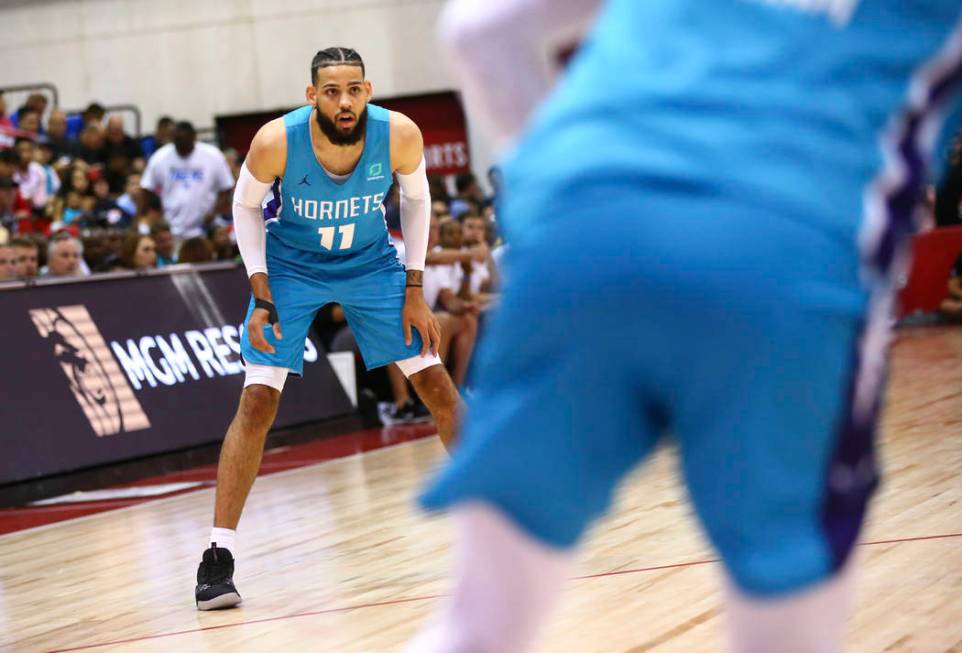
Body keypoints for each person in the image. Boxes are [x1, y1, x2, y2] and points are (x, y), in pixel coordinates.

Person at [405, 2, 962, 653]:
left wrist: (555, 189)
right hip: (784, 255)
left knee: (477, 630)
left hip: (582, 230)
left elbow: (475, 32)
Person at [193, 46, 462, 611]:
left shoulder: (400, 134)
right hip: (292, 267)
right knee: (259, 402)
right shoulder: (275, 142)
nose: (345, 101)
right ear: (312, 95)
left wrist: (414, 288)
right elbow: (245, 209)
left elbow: (417, 202)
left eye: (355, 89)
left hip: (371, 265)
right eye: (332, 91)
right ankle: (217, 556)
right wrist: (261, 290)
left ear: (368, 90)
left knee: (437, 385)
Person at [140, 121, 234, 240]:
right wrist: (153, 217)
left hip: (206, 227)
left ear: (194, 138)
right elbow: (146, 188)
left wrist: (215, 211)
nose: (182, 144)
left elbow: (226, 186)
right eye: (178, 141)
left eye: (185, 140)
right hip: (172, 227)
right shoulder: (160, 157)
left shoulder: (212, 155)